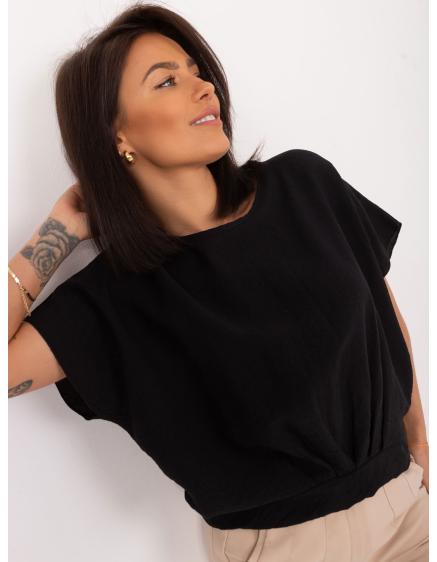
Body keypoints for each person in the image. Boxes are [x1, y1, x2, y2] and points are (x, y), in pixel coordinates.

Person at [8, 3, 428, 561]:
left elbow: (381, 308)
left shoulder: (304, 185)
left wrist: (418, 439)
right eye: (166, 81)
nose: (203, 86)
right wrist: (58, 233)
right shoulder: (114, 298)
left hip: (409, 511)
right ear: (117, 134)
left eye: (196, 70)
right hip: (284, 548)